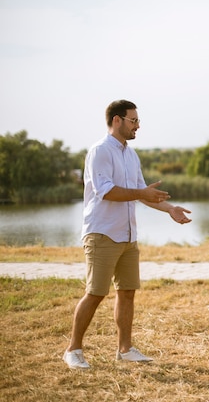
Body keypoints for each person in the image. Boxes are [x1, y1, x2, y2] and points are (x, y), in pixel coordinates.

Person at [63, 100, 192, 370]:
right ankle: (73, 349)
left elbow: (141, 191)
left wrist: (169, 209)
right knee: (95, 293)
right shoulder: (99, 151)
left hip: (127, 235)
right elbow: (107, 191)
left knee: (127, 292)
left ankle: (125, 349)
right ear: (117, 120)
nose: (138, 125)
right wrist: (141, 193)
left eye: (137, 120)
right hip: (102, 233)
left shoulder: (131, 154)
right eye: (133, 120)